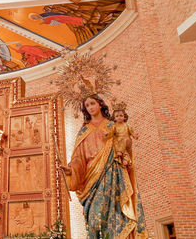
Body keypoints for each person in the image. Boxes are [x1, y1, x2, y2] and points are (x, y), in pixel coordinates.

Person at [60, 94, 147, 238]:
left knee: (117, 218)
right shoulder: (84, 131)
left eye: (92, 103)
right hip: (92, 181)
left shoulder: (112, 125)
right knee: (94, 222)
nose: (90, 107)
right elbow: (78, 159)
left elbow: (126, 145)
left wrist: (126, 144)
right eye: (87, 106)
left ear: (100, 105)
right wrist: (71, 170)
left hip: (114, 175)